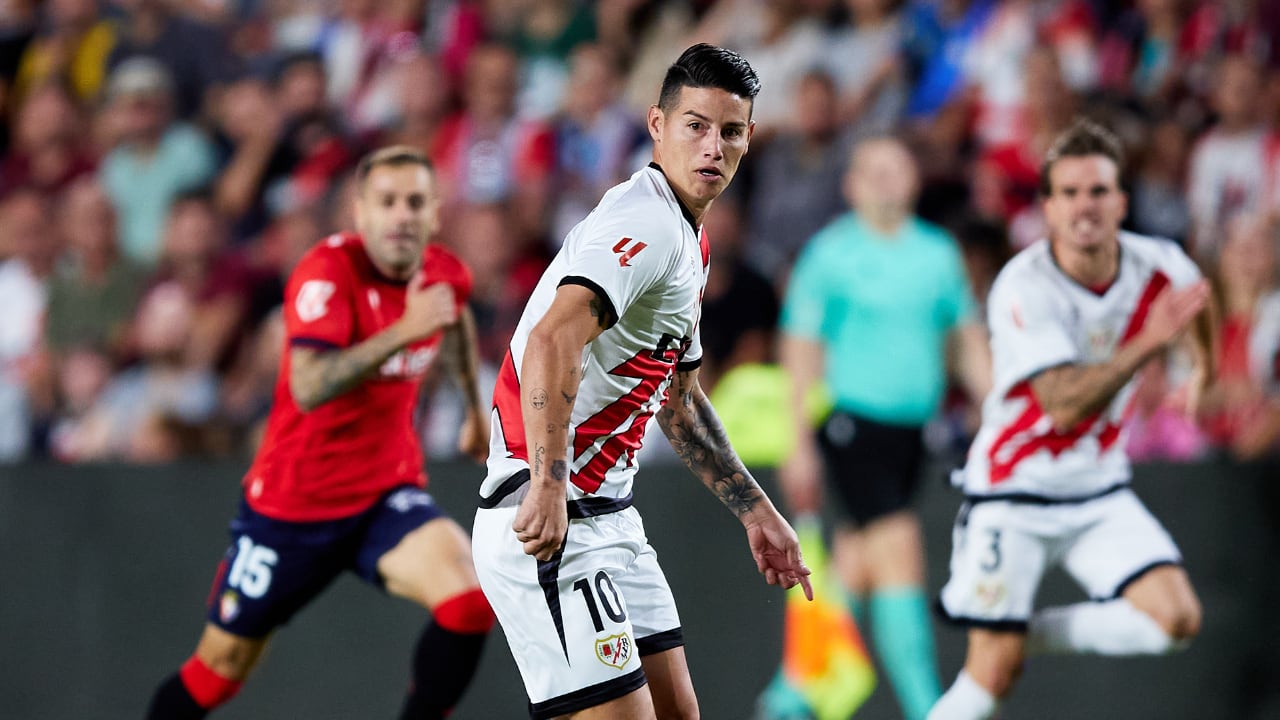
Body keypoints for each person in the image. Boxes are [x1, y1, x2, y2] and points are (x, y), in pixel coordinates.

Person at [470, 43, 813, 719]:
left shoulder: (690, 236)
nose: (712, 146)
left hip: (610, 517)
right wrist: (547, 480)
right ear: (657, 126)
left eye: (731, 132)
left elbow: (677, 402)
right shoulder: (646, 223)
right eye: (696, 125)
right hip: (544, 513)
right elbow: (550, 338)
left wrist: (755, 509)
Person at [145, 146, 495, 719]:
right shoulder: (327, 272)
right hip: (291, 509)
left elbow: (452, 321)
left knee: (469, 600)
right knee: (216, 673)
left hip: (383, 495)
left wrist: (473, 407)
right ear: (360, 213)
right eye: (387, 202)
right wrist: (402, 331)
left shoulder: (444, 275)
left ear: (436, 214)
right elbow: (309, 384)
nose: (402, 215)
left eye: (415, 202)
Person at [928, 118, 1212, 719]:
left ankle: (1024, 630)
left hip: (1098, 487)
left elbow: (1197, 296)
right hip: (1014, 488)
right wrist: (1149, 341)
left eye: (1099, 191)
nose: (1086, 206)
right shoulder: (1023, 287)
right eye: (1071, 193)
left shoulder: (1159, 263)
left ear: (1121, 202)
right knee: (991, 677)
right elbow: (1062, 403)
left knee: (1177, 619)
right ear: (1049, 209)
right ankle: (1006, 640)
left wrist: (1200, 368)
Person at [776, 135, 990, 720]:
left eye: (896, 168)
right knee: (899, 554)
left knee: (856, 569)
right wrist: (797, 442)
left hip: (911, 438)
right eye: (872, 170)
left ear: (915, 180)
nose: (885, 180)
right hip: (850, 428)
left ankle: (789, 700)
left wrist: (997, 410)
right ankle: (929, 708)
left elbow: (965, 338)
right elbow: (799, 350)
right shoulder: (829, 255)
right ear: (850, 185)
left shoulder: (938, 254)